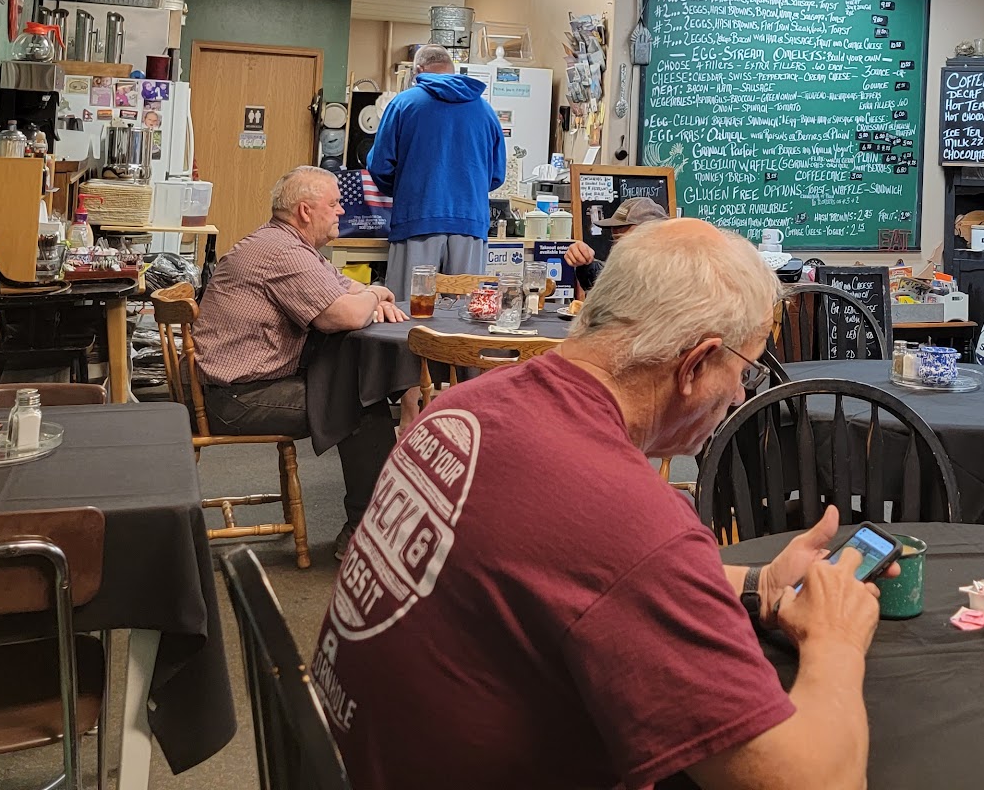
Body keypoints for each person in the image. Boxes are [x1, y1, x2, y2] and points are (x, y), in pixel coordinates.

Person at [313, 218, 882, 790]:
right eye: (743, 372)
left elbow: (569, 576)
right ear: (695, 365)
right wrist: (834, 640)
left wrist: (760, 583)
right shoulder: (634, 520)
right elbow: (817, 782)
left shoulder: (462, 408)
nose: (738, 395)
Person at [196, 166, 406, 545]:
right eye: (334, 203)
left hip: (232, 386)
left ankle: (371, 525)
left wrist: (369, 295)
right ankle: (367, 534)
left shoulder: (285, 244)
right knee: (359, 404)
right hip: (234, 400)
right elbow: (343, 315)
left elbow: (343, 287)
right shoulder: (284, 253)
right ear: (305, 211)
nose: (342, 210)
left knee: (351, 386)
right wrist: (376, 294)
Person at [368, 45, 506, 301]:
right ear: (452, 69)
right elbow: (497, 174)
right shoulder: (485, 111)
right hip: (470, 223)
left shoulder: (404, 104)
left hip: (417, 220)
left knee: (409, 310)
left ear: (418, 70)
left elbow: (379, 166)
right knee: (467, 313)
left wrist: (404, 188)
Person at [559, 195, 668, 293]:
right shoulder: (627, 270)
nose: (618, 247)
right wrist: (584, 262)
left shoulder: (670, 280)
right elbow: (606, 281)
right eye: (615, 239)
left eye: (626, 240)